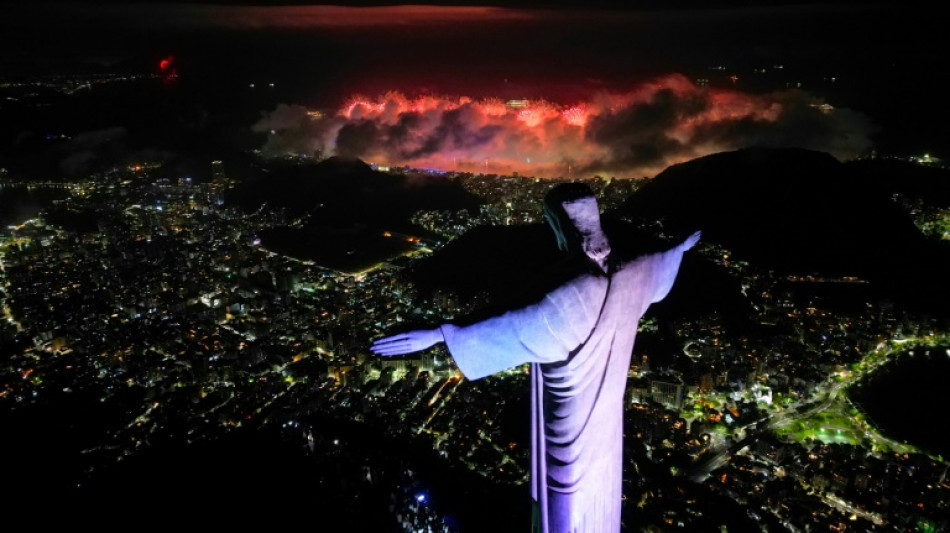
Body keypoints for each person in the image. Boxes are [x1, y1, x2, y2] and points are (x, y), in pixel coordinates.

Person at [372, 183, 699, 533]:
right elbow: (663, 260)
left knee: (561, 504)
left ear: (560, 226)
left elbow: (510, 322)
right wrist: (680, 247)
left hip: (568, 431)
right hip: (607, 425)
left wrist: (438, 334)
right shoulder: (634, 270)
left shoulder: (565, 295)